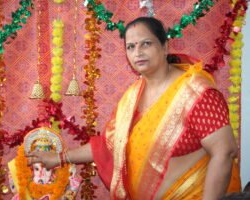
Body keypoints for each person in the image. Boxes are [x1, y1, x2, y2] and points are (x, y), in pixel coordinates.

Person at [26, 17, 241, 199]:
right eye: (131, 46)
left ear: (164, 47)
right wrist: (59, 158)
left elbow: (224, 151)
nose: (138, 52)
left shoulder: (195, 93)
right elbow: (108, 145)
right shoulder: (133, 96)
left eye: (146, 44)